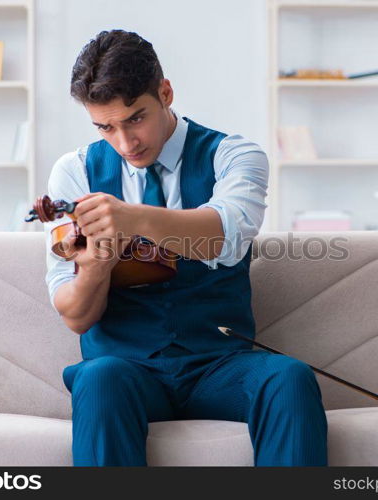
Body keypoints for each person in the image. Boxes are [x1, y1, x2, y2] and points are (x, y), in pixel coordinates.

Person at [44, 29, 328, 466]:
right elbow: (76, 315)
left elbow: (225, 238)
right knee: (99, 378)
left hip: (219, 363)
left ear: (165, 92)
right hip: (126, 368)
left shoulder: (233, 155)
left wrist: (132, 216)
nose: (124, 143)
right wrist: (97, 265)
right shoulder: (75, 171)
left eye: (135, 118)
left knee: (289, 376)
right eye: (105, 127)